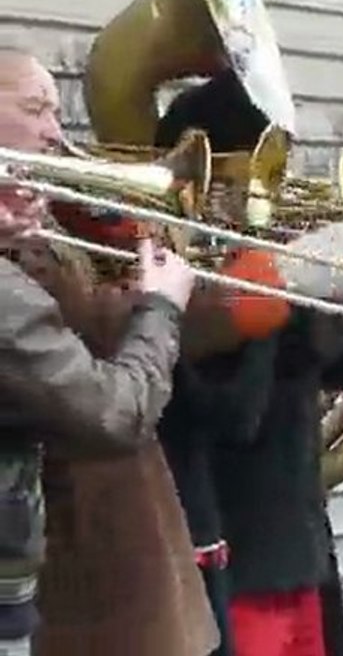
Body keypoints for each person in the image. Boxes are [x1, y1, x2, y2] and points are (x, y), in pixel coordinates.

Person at [149, 69, 343, 656]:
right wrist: (271, 288)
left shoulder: (264, 260)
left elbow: (342, 370)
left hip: (301, 552)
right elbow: (234, 410)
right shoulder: (173, 277)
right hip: (235, 561)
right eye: (255, 165)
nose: (270, 185)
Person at [0, 48, 214, 656]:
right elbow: (111, 409)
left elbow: (87, 324)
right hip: (73, 552)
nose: (54, 132)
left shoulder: (36, 235)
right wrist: (161, 305)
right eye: (36, 109)